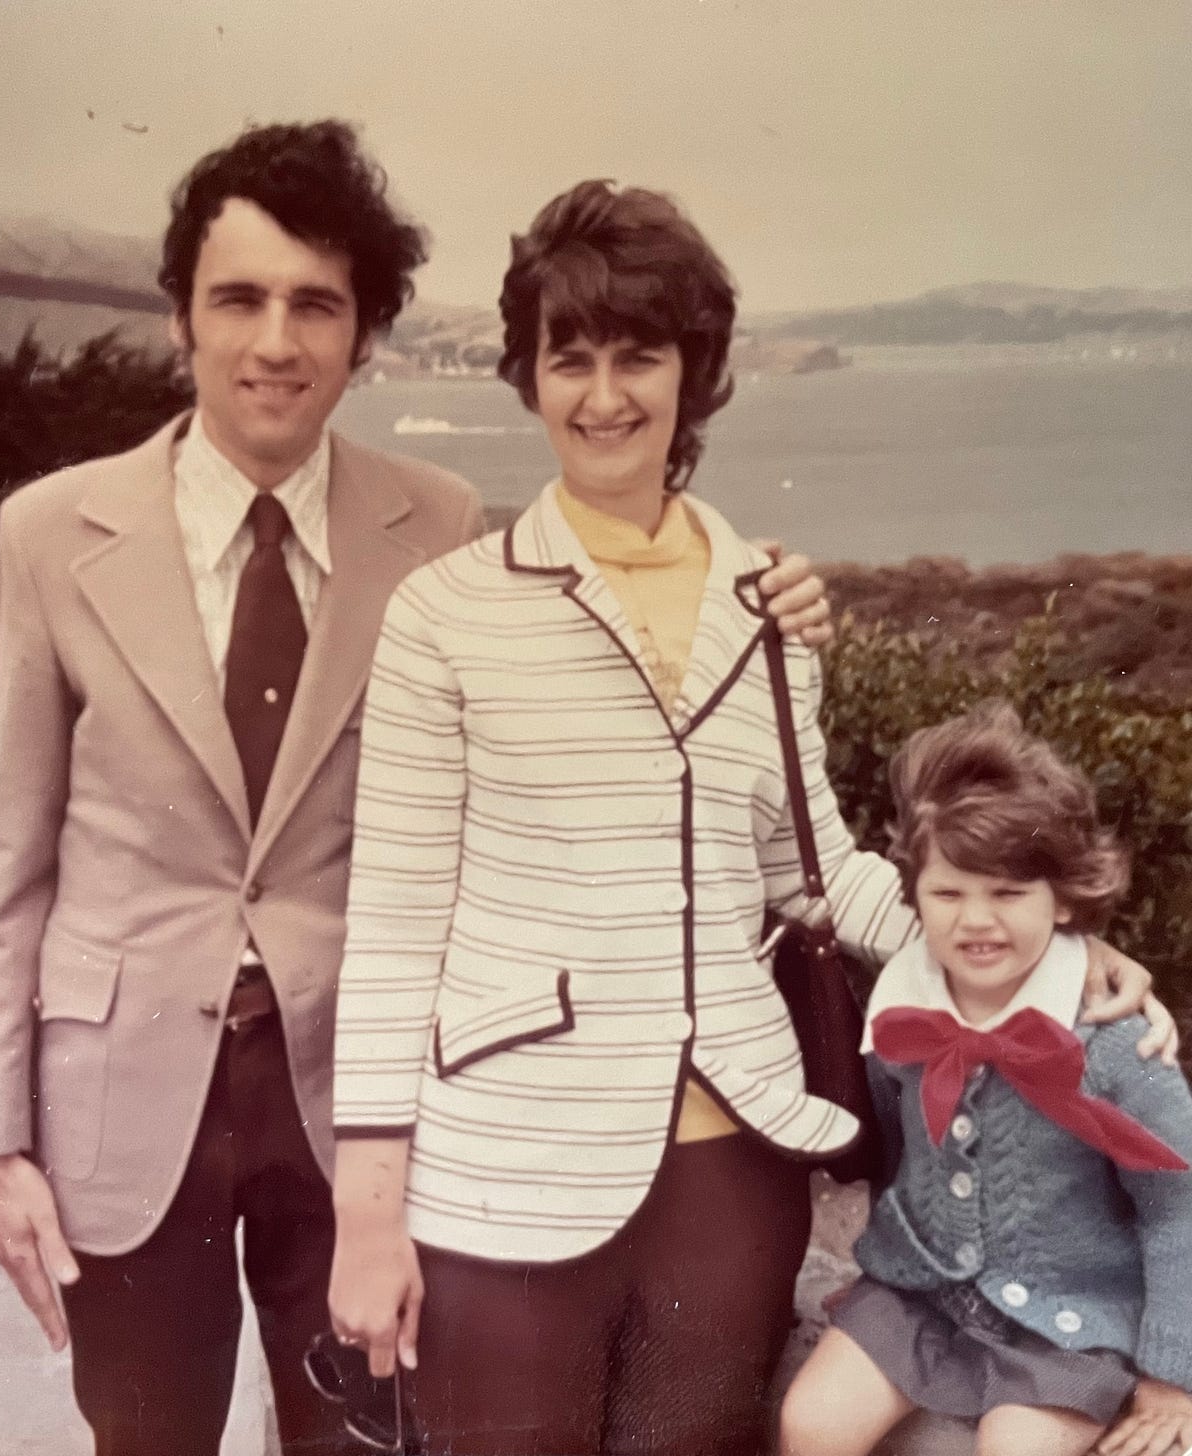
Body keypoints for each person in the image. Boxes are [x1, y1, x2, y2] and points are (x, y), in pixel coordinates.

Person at [0, 123, 832, 1456]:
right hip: (120, 1108)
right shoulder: (50, 531)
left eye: (318, 305)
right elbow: (7, 860)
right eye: (238, 298)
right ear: (181, 314)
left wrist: (776, 607)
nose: (276, 342)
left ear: (363, 336)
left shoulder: (435, 520)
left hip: (350, 1110)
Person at [326, 181, 1171, 1456]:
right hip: (508, 1173)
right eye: (571, 358)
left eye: (639, 355)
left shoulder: (766, 609)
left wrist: (1060, 953)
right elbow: (390, 925)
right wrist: (369, 1213)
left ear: (693, 372)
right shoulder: (446, 614)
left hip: (729, 1173)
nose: (604, 395)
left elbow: (813, 871)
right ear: (529, 375)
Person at [779, 703, 1192, 1456]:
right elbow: (899, 1158)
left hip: (1066, 1318)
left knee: (1015, 1450)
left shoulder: (1114, 1043)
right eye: (949, 893)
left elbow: (1179, 1207)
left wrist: (1173, 1376)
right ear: (915, 895)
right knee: (811, 1423)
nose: (976, 920)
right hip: (920, 1296)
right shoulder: (903, 1004)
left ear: (1064, 900)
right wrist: (885, 1259)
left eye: (1008, 894)